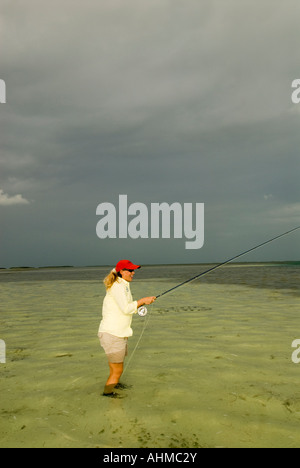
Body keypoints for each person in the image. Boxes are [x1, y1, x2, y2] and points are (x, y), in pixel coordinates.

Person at [98, 259, 156, 398]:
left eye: (133, 270)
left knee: (116, 368)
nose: (133, 272)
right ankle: (107, 394)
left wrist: (139, 306)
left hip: (117, 333)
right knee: (117, 370)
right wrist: (142, 301)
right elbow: (126, 308)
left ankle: (115, 383)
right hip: (113, 334)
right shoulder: (118, 286)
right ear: (121, 272)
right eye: (130, 270)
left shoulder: (122, 284)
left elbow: (126, 307)